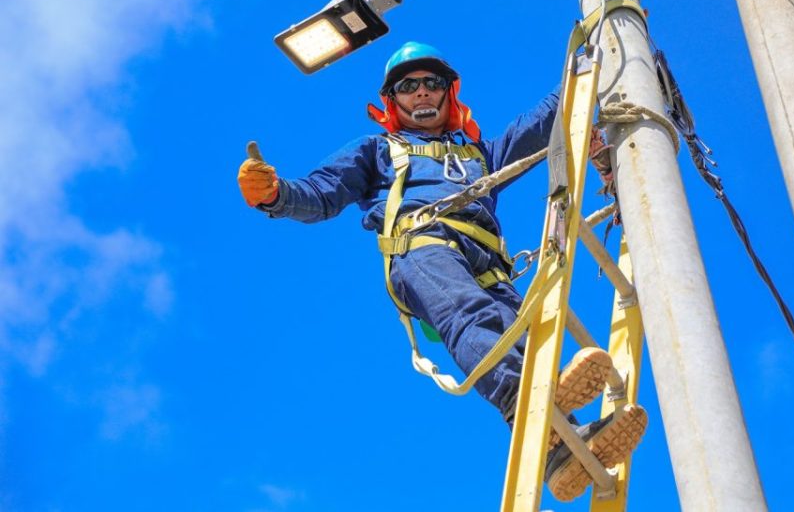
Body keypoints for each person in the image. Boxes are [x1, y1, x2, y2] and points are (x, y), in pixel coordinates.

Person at [237, 41, 645, 501]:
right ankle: (526, 404)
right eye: (408, 87)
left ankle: (561, 449)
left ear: (449, 94)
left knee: (528, 342)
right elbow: (322, 193)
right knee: (472, 317)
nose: (422, 93)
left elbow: (541, 121)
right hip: (422, 247)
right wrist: (275, 194)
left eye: (432, 84)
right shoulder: (378, 150)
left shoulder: (480, 155)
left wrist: (597, 55)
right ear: (393, 102)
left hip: (489, 264)